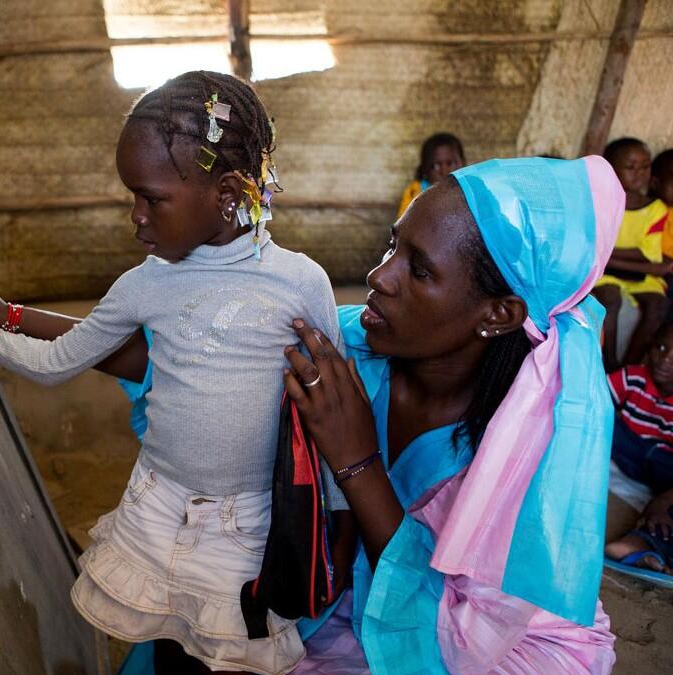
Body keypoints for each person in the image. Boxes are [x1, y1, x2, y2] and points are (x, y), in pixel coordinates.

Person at [0, 71, 348, 674]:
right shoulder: (146, 283)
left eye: (151, 198)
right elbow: (57, 362)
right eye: (131, 197)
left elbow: (333, 414)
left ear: (225, 194)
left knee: (230, 654)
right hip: (157, 507)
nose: (135, 218)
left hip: (247, 527)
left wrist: (333, 527)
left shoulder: (303, 284)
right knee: (169, 648)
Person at [284, 156, 620, 673]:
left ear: (497, 314)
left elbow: (455, 642)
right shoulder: (346, 347)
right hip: (359, 590)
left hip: (475, 632)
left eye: (417, 269)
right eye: (392, 245)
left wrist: (356, 461)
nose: (378, 276)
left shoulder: (528, 440)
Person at [592, 138, 671, 371]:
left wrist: (606, 254)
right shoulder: (602, 202)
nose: (640, 173)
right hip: (608, 275)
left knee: (657, 305)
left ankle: (629, 366)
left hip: (635, 277)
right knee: (610, 298)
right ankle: (608, 362)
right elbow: (643, 257)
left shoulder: (656, 210)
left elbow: (648, 255)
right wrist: (633, 258)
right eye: (631, 167)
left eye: (645, 166)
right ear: (610, 169)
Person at [604, 322, 673, 575]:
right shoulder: (633, 377)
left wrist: (662, 502)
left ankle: (644, 545)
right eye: (661, 347)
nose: (664, 360)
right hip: (629, 450)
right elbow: (594, 399)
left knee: (666, 513)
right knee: (600, 413)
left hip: (666, 471)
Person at [396, 133, 465, 219]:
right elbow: (403, 224)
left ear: (462, 163)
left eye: (450, 163)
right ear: (425, 169)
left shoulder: (468, 189)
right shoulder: (415, 192)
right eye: (435, 166)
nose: (444, 171)